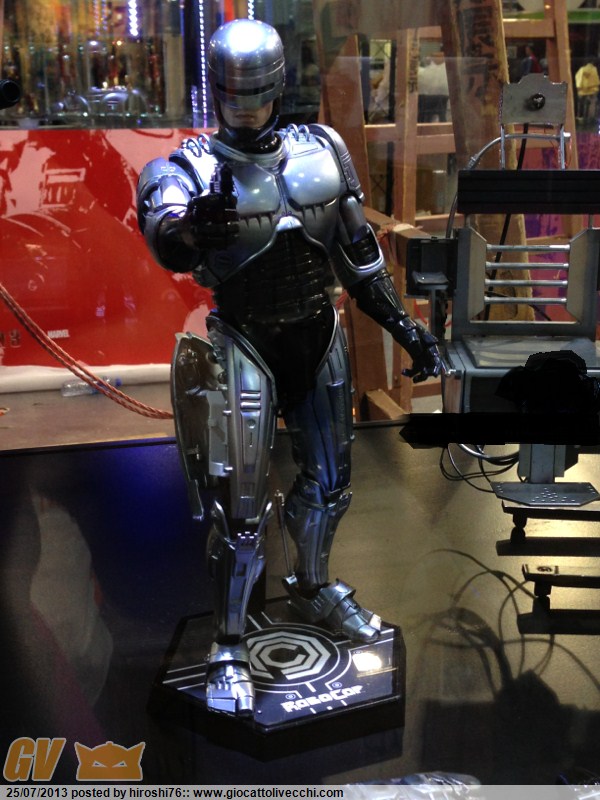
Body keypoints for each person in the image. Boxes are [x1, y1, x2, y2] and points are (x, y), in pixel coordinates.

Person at [136, 18, 441, 718]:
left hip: (316, 330)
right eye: (233, 98)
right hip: (244, 339)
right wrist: (189, 228)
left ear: (278, 87)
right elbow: (166, 231)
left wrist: (406, 327)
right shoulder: (188, 167)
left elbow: (359, 258)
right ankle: (229, 643)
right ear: (218, 93)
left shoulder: (323, 149)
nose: (246, 111)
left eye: (256, 96)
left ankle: (312, 584)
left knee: (330, 485)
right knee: (239, 510)